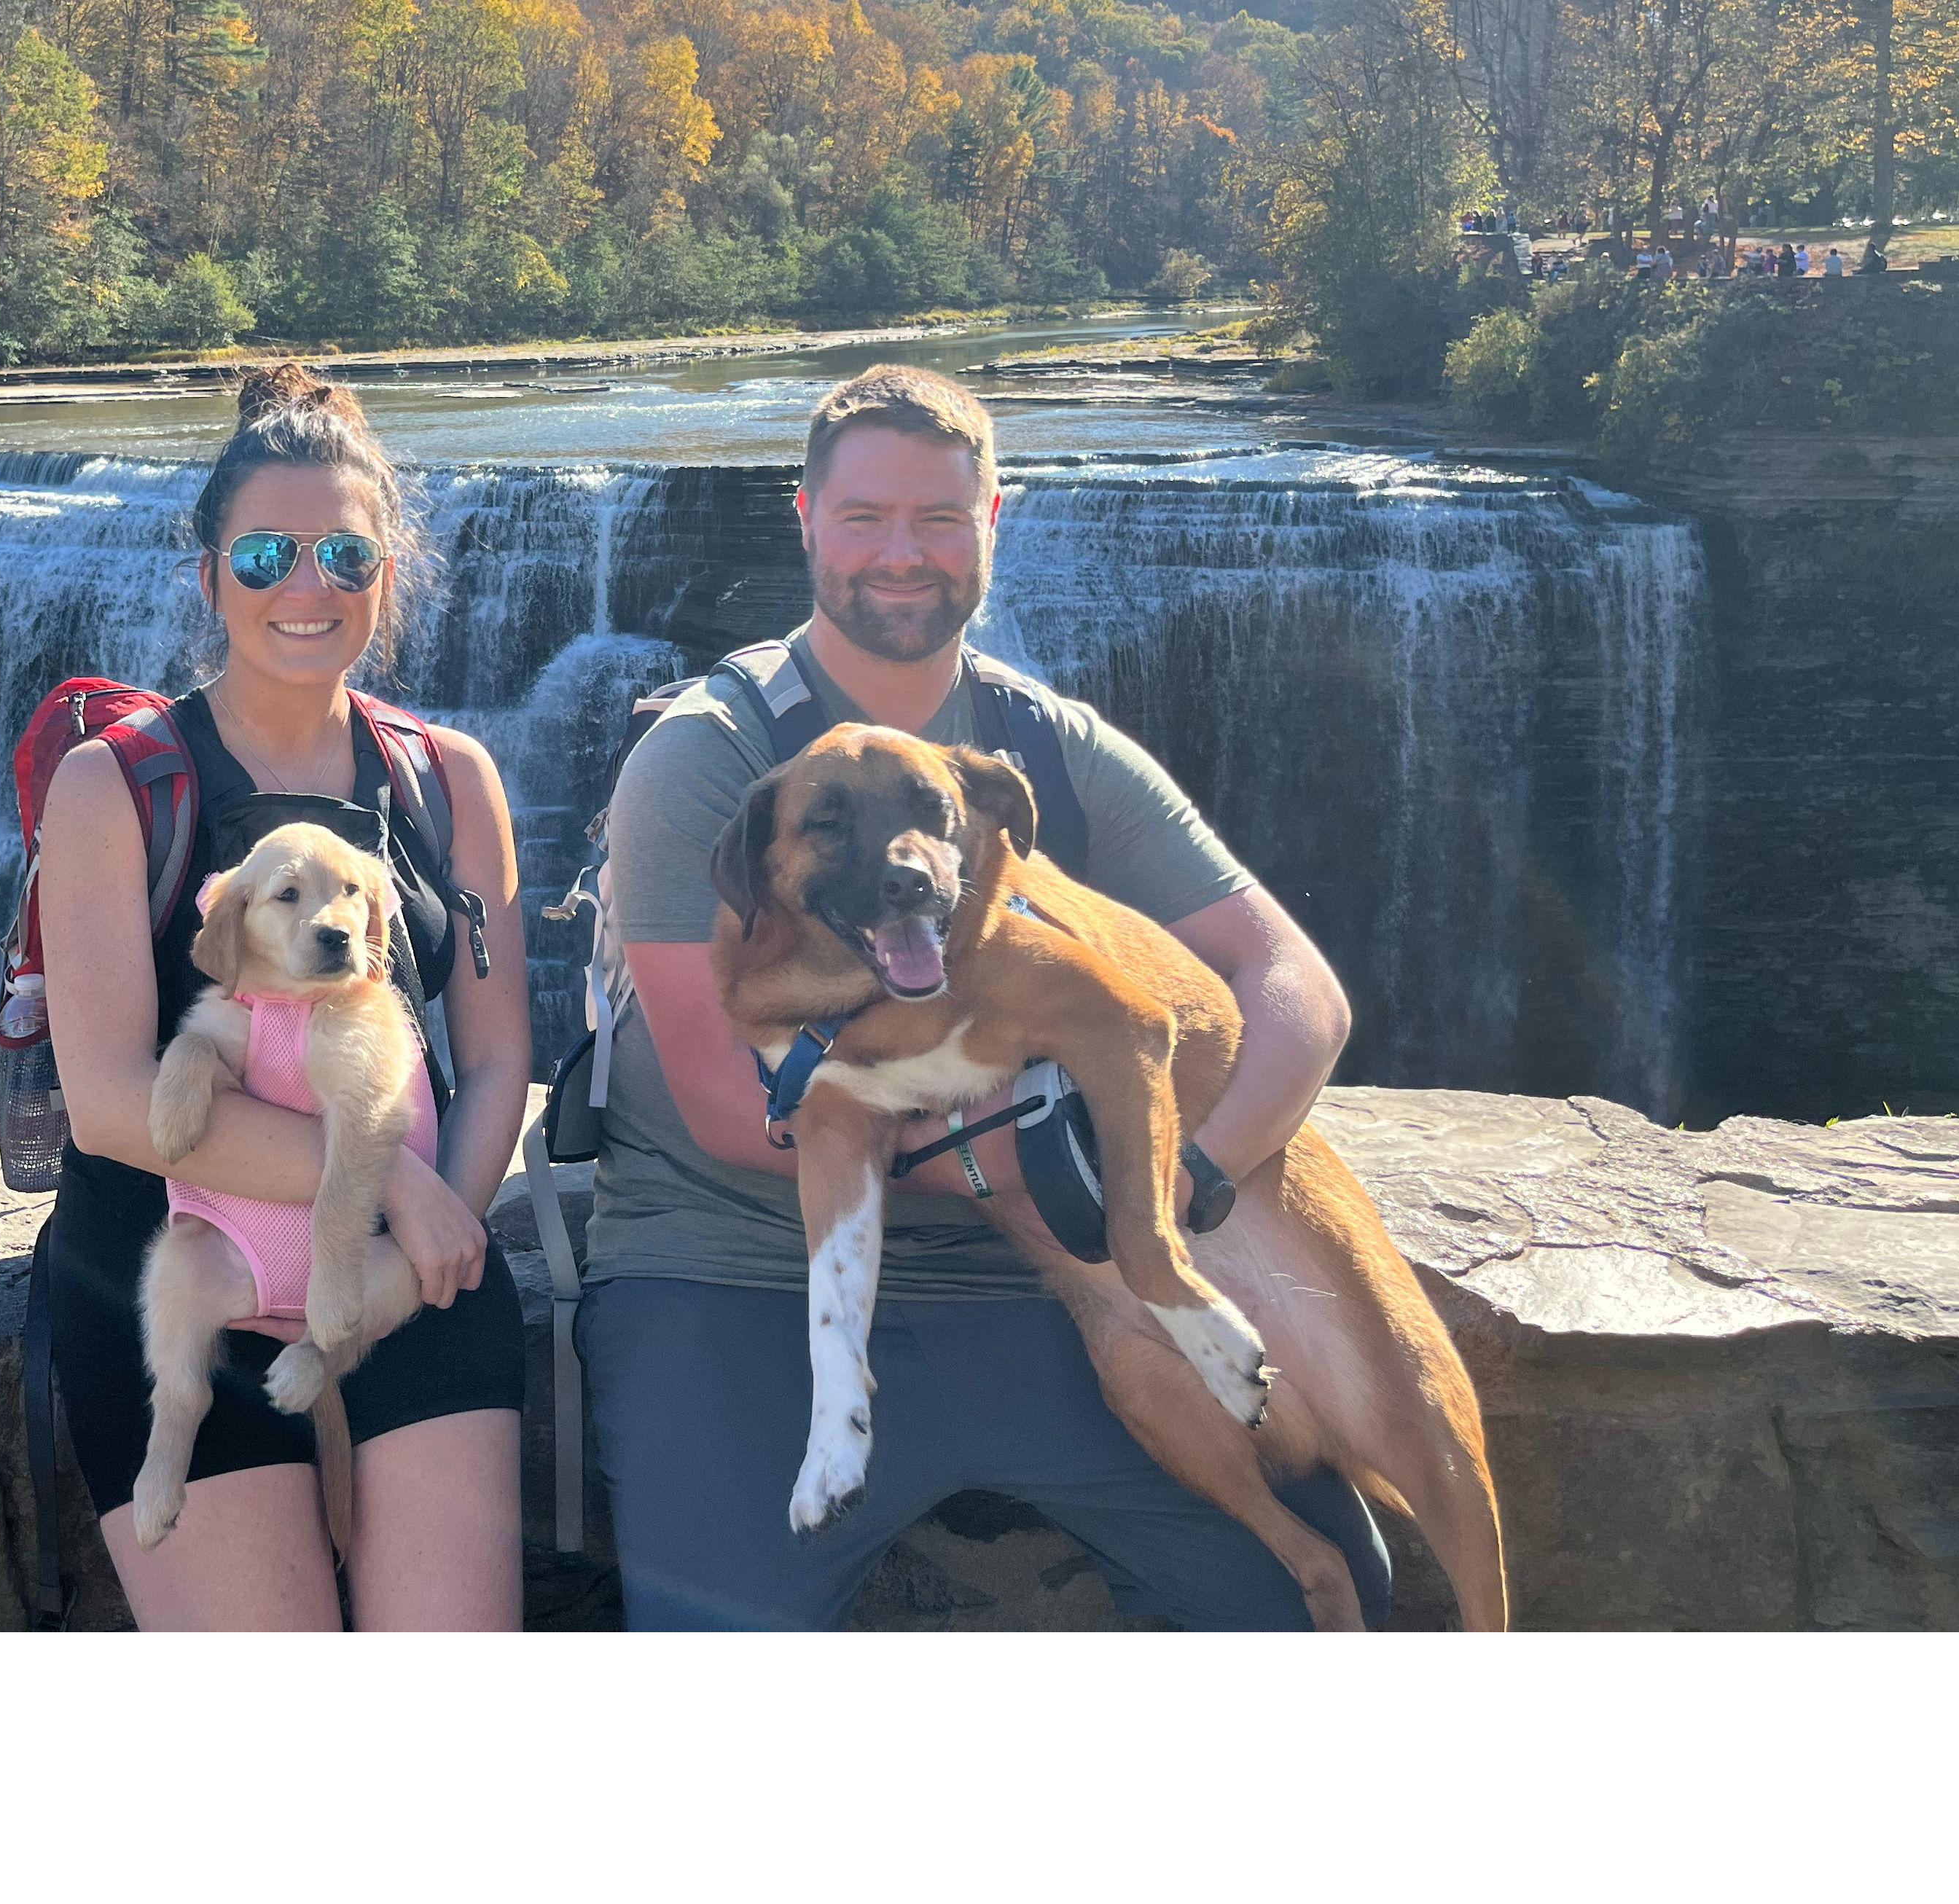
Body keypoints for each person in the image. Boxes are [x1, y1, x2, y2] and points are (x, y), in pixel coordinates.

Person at [581, 363, 1385, 1631]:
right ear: (807, 520)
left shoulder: (1048, 747)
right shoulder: (707, 761)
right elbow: (729, 1104)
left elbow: (1296, 988)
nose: (903, 554)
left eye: (940, 518)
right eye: (865, 517)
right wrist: (1017, 1168)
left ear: (992, 523)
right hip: (737, 1272)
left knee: (1319, 1590)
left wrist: (1173, 1188)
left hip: (1044, 1286)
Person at [38, 362, 531, 1628]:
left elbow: (496, 1062)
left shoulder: (451, 781)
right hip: (174, 1274)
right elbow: (111, 1107)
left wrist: (425, 1238)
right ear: (210, 577)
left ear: (386, 577)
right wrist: (392, 1183)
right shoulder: (116, 787)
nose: (307, 588)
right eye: (265, 557)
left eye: (345, 558)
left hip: (404, 1283)